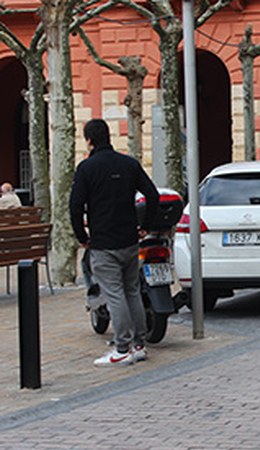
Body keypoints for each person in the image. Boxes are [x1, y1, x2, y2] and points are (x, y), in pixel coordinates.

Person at [69, 118, 159, 367]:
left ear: (88, 140)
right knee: (132, 291)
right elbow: (151, 194)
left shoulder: (86, 168)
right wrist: (146, 226)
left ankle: (122, 348)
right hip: (130, 240)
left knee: (115, 293)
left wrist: (82, 237)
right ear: (108, 137)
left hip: (103, 242)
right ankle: (139, 345)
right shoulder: (129, 164)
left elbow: (75, 206)